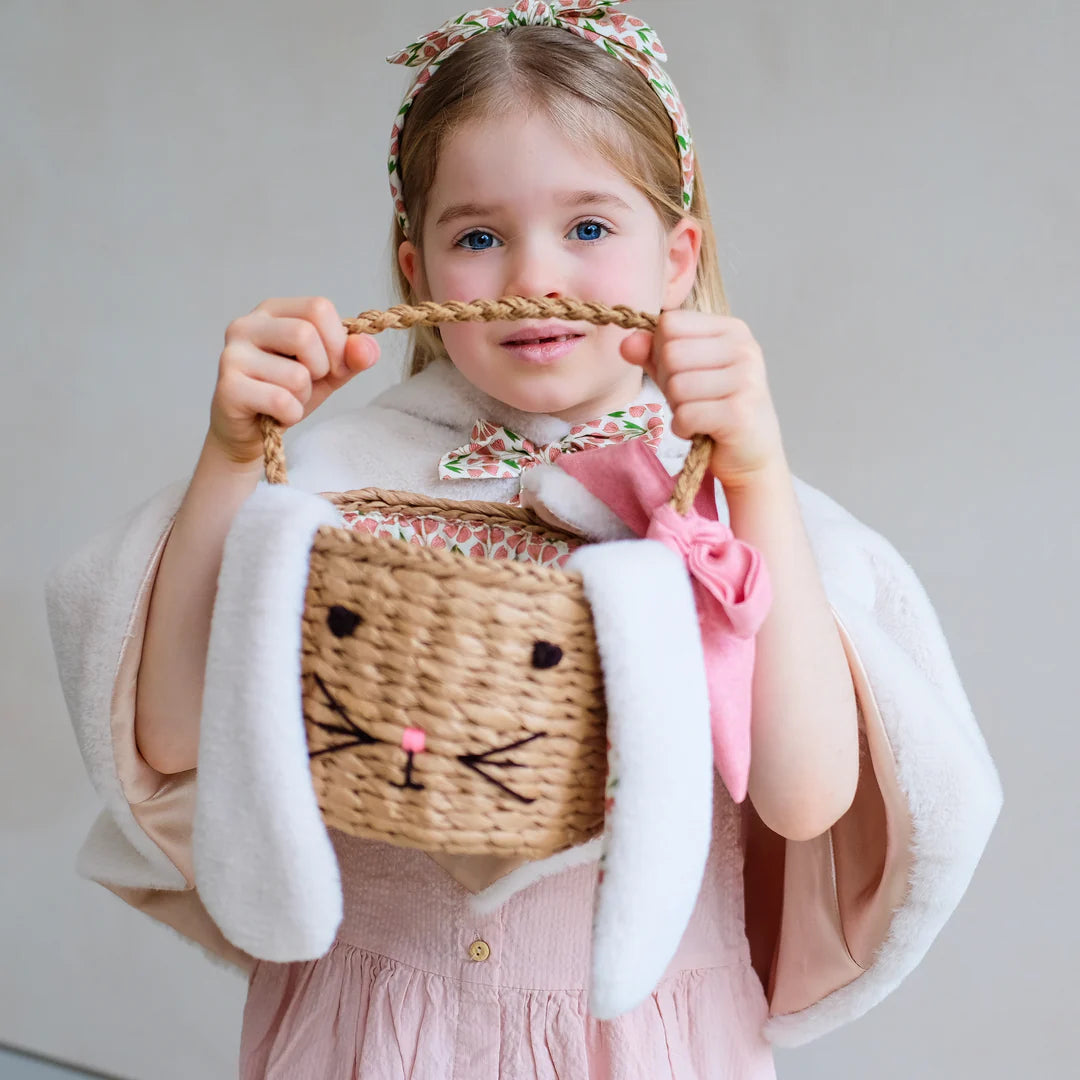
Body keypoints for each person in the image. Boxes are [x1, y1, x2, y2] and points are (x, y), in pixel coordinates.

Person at [44, 3, 1003, 1077]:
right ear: (416, 269)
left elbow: (805, 792)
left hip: (639, 1040)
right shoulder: (339, 476)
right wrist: (232, 453)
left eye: (589, 228)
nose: (532, 275)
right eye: (479, 236)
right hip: (371, 1032)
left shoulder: (726, 499)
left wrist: (757, 474)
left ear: (678, 257)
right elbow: (177, 736)